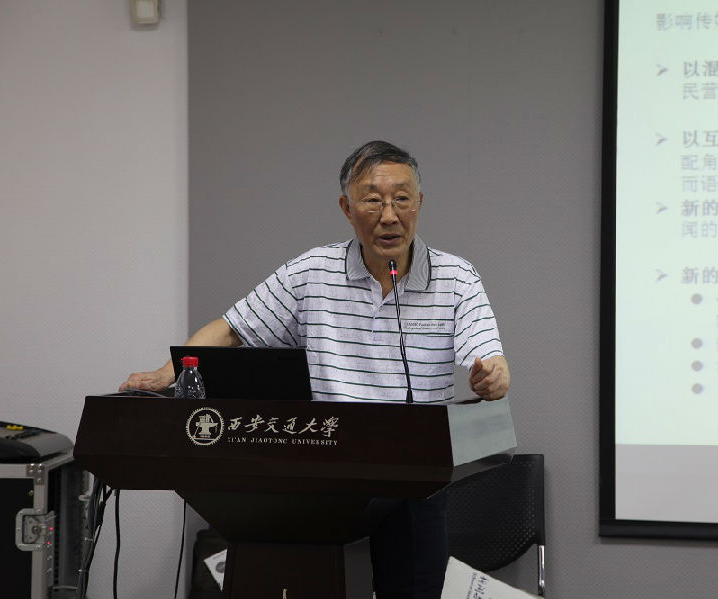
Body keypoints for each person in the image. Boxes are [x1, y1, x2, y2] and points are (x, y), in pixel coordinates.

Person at [121, 140, 510, 597]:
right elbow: (230, 330)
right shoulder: (312, 272)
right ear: (347, 208)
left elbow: (490, 359)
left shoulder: (457, 278)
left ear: (419, 203)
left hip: (414, 481)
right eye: (373, 200)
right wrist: (167, 372)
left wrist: (493, 377)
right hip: (326, 481)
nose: (389, 216)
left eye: (402, 199)